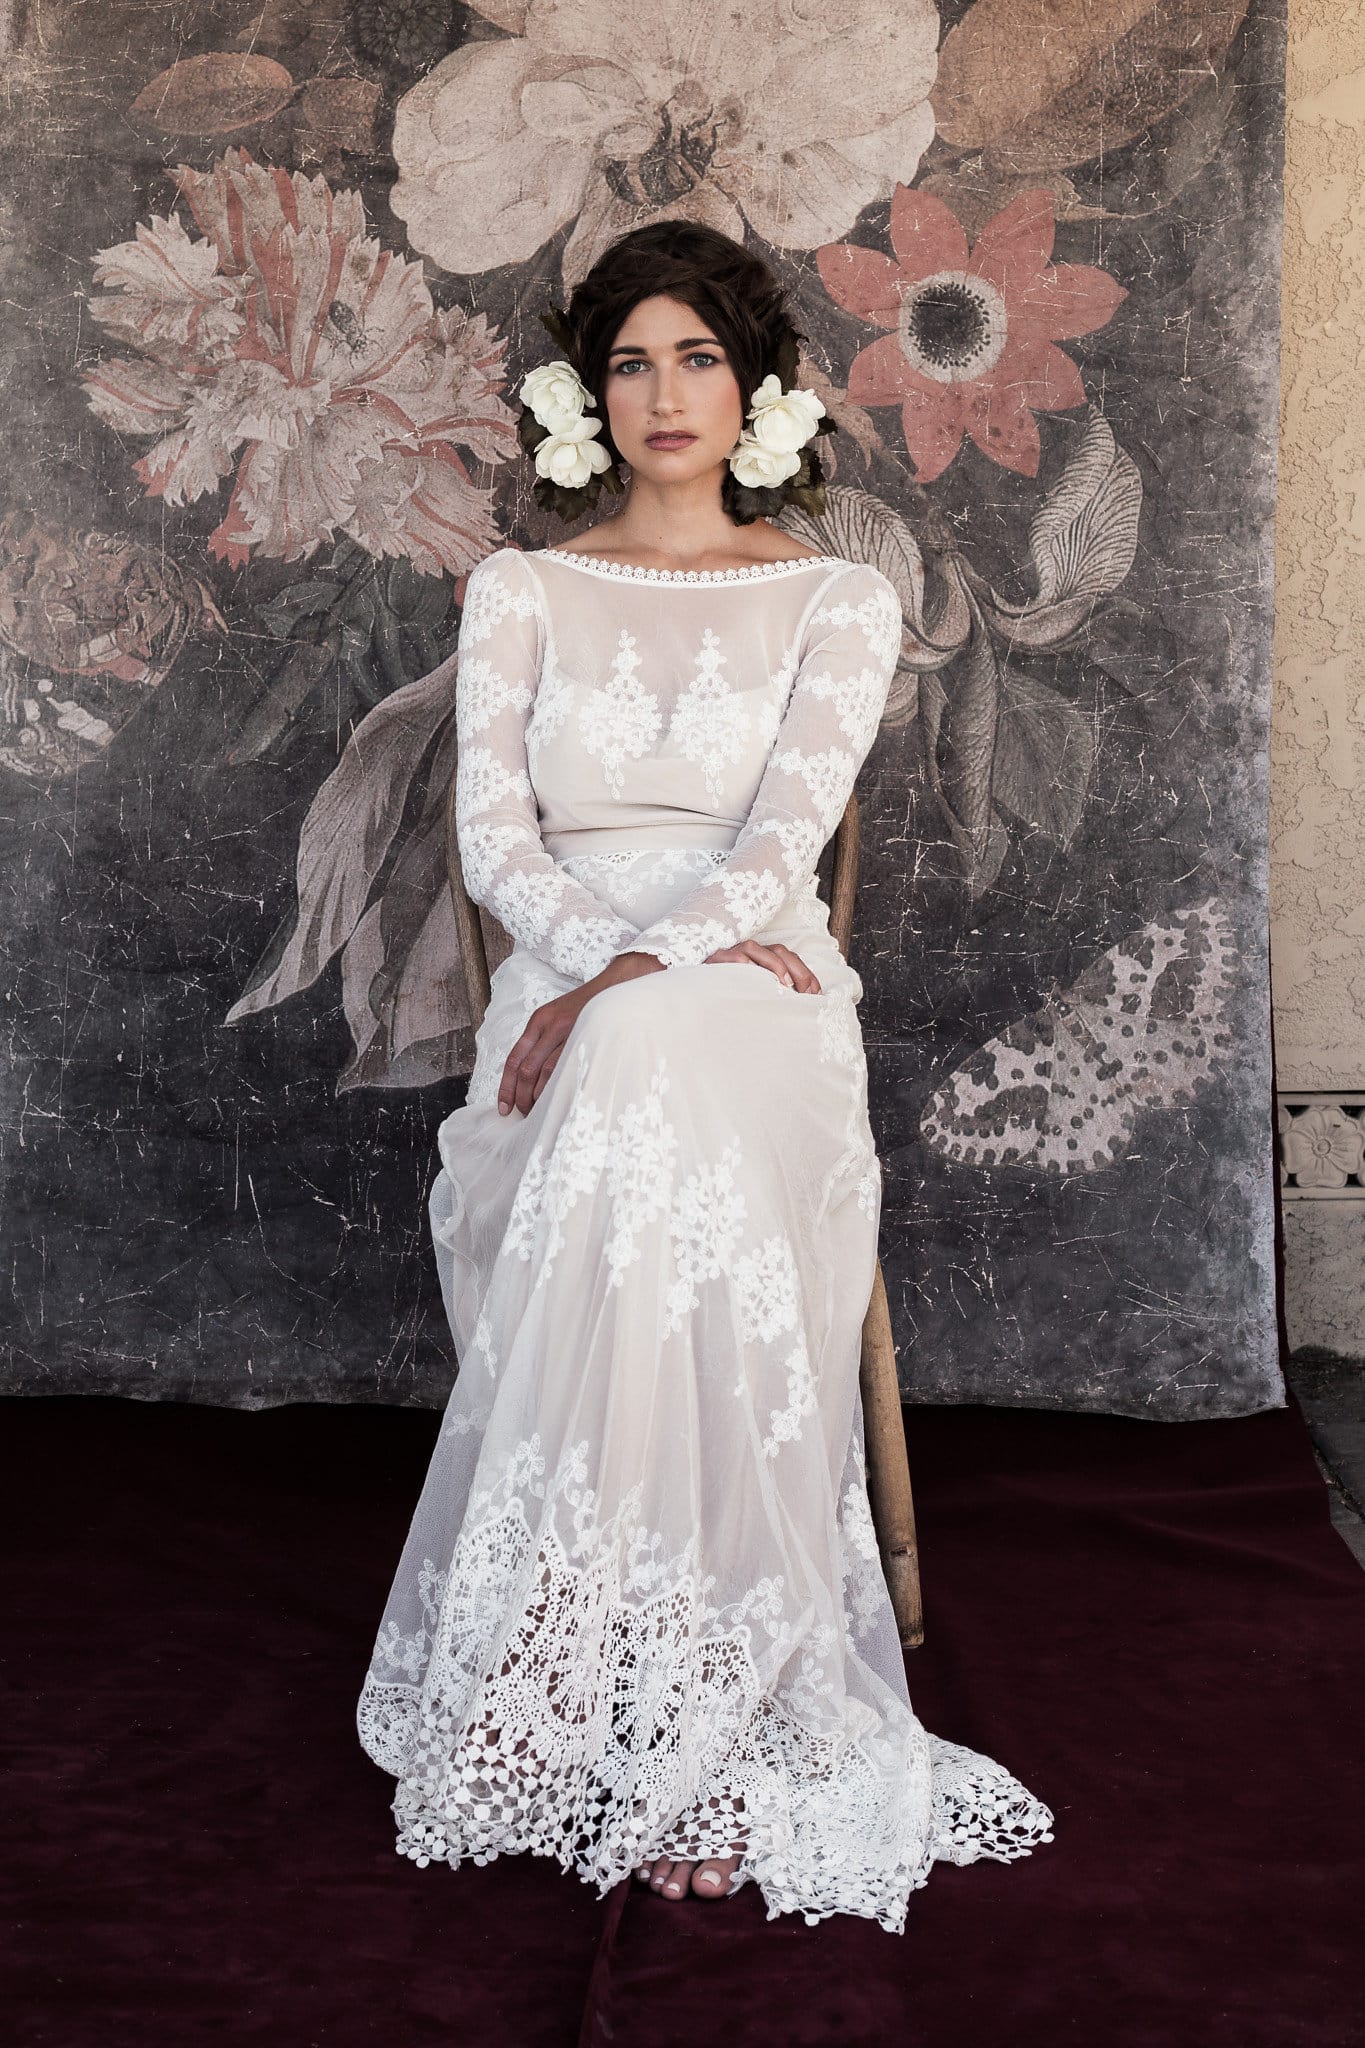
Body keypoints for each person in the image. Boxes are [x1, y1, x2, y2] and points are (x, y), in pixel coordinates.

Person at [355, 220, 1054, 1932]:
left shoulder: (835, 597)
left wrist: (636, 977)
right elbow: (497, 843)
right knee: (629, 1050)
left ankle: (710, 1704)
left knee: (654, 1042)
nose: (663, 394)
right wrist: (593, 973)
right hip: (566, 972)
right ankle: (614, 1660)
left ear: (752, 391)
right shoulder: (520, 591)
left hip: (752, 977)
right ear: (587, 397)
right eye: (628, 363)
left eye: (696, 359)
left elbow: (777, 846)